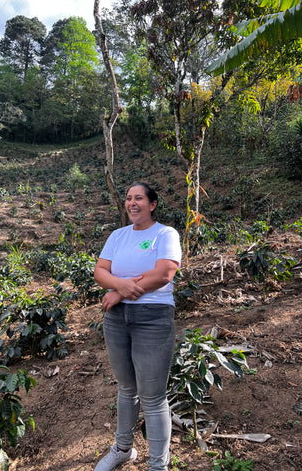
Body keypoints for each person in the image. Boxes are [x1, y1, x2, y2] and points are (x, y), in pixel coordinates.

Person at [93, 182, 182, 471]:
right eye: (129, 198)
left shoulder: (165, 234)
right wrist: (119, 286)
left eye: (139, 198)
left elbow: (164, 273)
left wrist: (118, 291)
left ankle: (158, 466)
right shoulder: (118, 236)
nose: (132, 203)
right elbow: (99, 271)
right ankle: (122, 449)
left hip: (153, 318)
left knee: (153, 396)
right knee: (126, 388)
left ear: (152, 204)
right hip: (117, 319)